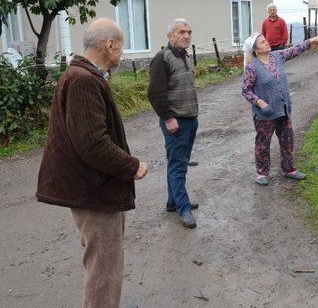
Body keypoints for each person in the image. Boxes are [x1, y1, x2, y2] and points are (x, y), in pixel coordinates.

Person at [36, 18, 148, 308]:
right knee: (104, 268)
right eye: (120, 47)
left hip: (92, 187)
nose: (121, 54)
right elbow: (93, 144)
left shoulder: (79, 74)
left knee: (104, 264)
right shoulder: (84, 80)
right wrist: (131, 165)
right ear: (109, 45)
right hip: (94, 192)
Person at [241, 32, 318, 185]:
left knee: (287, 140)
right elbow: (245, 90)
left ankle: (289, 169)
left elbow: (295, 50)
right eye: (262, 42)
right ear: (255, 50)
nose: (266, 42)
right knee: (263, 144)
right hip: (265, 114)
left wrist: (311, 41)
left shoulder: (277, 56)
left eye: (265, 39)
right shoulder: (252, 67)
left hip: (283, 109)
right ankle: (262, 173)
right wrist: (260, 102)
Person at [147, 18, 199, 228]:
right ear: (170, 36)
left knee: (178, 162)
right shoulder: (162, 58)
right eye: (181, 32)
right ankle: (183, 208)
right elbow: (154, 93)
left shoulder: (185, 56)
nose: (186, 36)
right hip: (176, 122)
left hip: (190, 119)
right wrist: (168, 118)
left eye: (189, 32)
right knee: (178, 166)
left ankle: (173, 201)